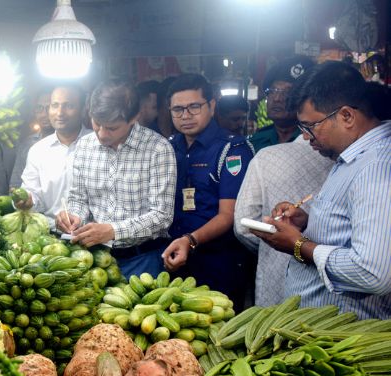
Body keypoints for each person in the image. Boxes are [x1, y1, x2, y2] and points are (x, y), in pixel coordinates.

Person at [252, 61, 391, 319]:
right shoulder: (351, 156)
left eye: (309, 126)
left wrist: (297, 245)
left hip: (347, 337)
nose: (305, 137)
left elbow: (373, 273)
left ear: (347, 116)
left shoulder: (375, 167)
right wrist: (307, 222)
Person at [56, 79, 176, 278]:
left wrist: (113, 231)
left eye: (112, 128)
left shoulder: (157, 149)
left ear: (134, 118)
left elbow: (162, 216)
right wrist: (73, 216)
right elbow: (78, 199)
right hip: (94, 259)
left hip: (142, 260)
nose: (102, 134)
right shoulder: (84, 146)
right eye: (97, 124)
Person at [161, 74, 255, 307]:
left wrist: (189, 240)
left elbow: (229, 214)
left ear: (211, 106)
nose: (186, 116)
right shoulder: (168, 148)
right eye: (178, 109)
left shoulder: (233, 149)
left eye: (194, 107)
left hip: (219, 261)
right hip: (173, 259)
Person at [234, 135, 334, 306]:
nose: (307, 135)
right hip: (332, 288)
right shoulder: (344, 160)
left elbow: (244, 225)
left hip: (277, 275)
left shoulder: (266, 157)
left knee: (273, 327)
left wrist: (274, 243)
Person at [16, 84, 92, 229]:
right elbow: (32, 193)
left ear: (83, 110)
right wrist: (28, 200)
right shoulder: (38, 151)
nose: (60, 112)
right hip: (51, 236)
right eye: (54, 105)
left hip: (93, 235)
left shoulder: (98, 144)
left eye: (68, 106)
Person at [249, 56, 314, 151]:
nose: (276, 98)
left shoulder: (314, 142)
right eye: (273, 91)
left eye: (287, 92)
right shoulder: (255, 141)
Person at [9, 87, 54, 188]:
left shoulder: (67, 142)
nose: (43, 114)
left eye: (49, 108)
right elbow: (16, 183)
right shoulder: (27, 144)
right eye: (39, 108)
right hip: (32, 202)